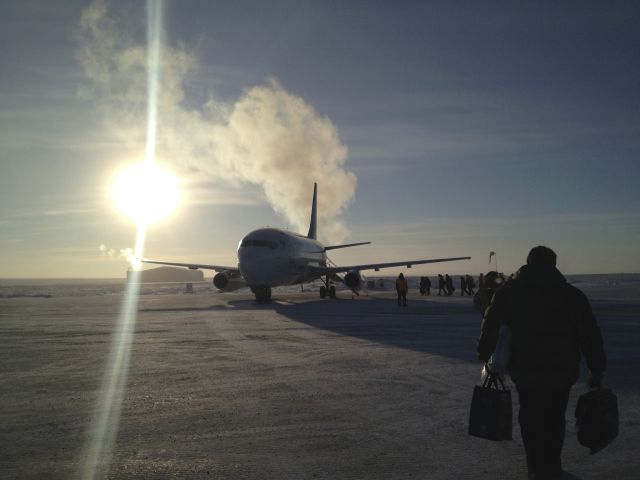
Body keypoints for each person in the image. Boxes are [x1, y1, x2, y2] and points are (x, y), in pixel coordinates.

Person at [477, 246, 606, 480]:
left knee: (530, 417)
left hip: (526, 370)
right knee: (555, 417)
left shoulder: (509, 292)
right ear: (553, 265)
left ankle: (535, 467)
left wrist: (484, 353)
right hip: (562, 370)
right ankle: (552, 466)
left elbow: (491, 323)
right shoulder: (572, 296)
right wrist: (596, 367)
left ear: (528, 263)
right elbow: (590, 334)